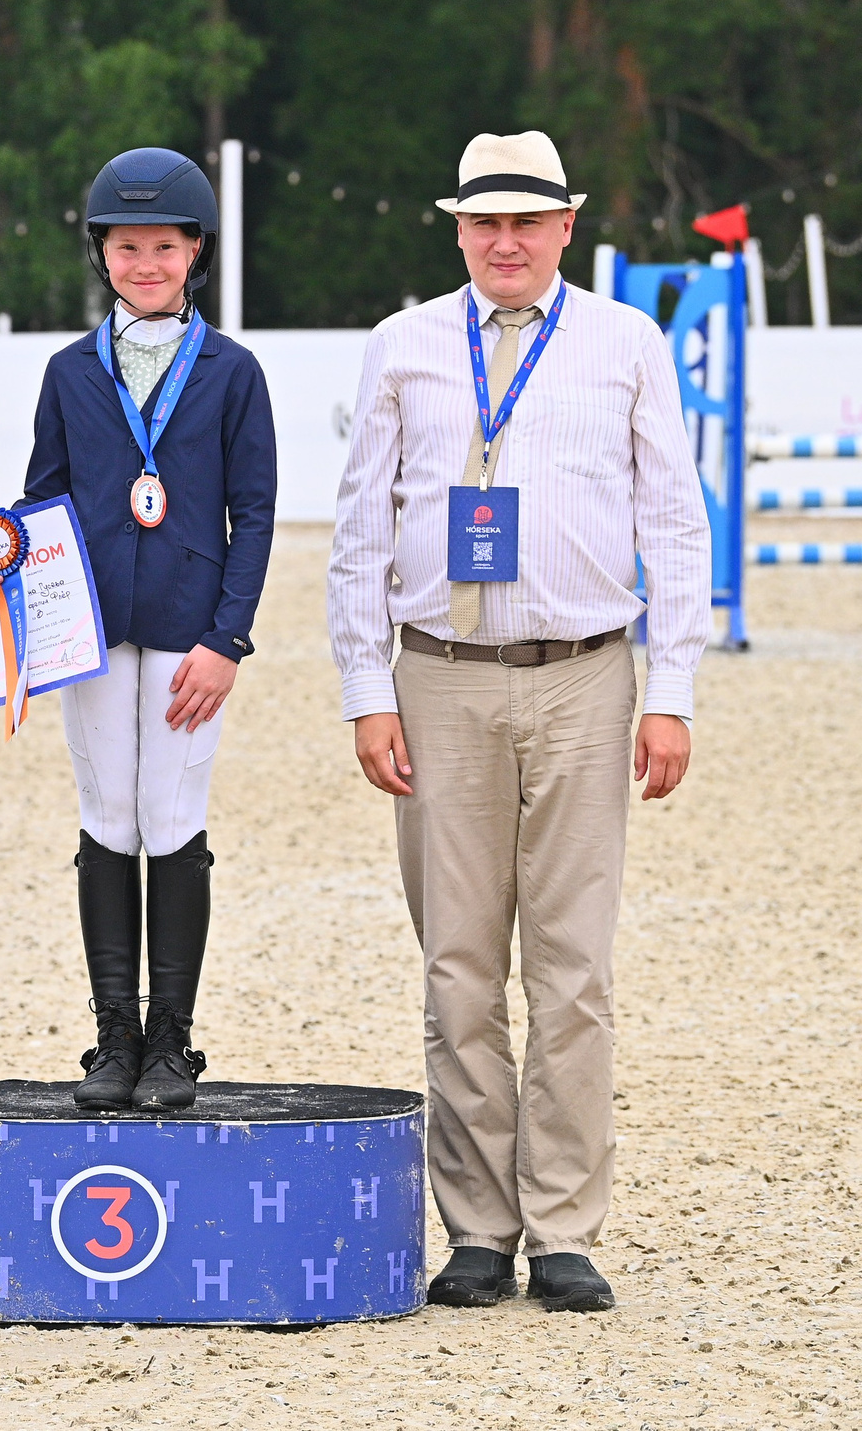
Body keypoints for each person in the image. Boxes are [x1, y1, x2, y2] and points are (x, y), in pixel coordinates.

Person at [328, 131, 706, 1314]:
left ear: (562, 228)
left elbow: (676, 524)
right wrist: (365, 689)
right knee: (454, 969)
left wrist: (673, 695)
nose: (504, 240)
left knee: (573, 966)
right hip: (437, 677)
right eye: (483, 221)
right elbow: (357, 532)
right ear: (455, 229)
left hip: (586, 676)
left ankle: (563, 1226)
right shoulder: (401, 348)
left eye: (525, 221)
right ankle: (477, 1230)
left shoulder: (623, 343)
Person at [0, 148, 277, 1111]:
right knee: (107, 819)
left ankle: (173, 1042)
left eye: (163, 249)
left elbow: (252, 514)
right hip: (85, 630)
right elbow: (40, 501)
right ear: (102, 254)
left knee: (170, 820)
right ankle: (112, 1039)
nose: (144, 265)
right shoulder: (68, 373)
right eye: (126, 248)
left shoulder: (231, 372)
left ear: (194, 253)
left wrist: (228, 642)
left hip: (187, 631)